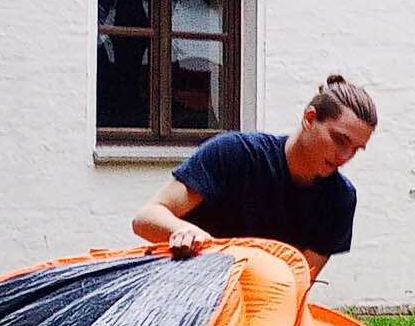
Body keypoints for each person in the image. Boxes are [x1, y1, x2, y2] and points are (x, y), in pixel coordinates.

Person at [131, 75, 377, 278]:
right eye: (339, 139)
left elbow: (299, 281)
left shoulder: (340, 199)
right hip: (183, 287)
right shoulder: (234, 152)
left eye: (356, 148)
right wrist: (186, 233)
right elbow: (146, 218)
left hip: (256, 304)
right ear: (310, 119)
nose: (345, 156)